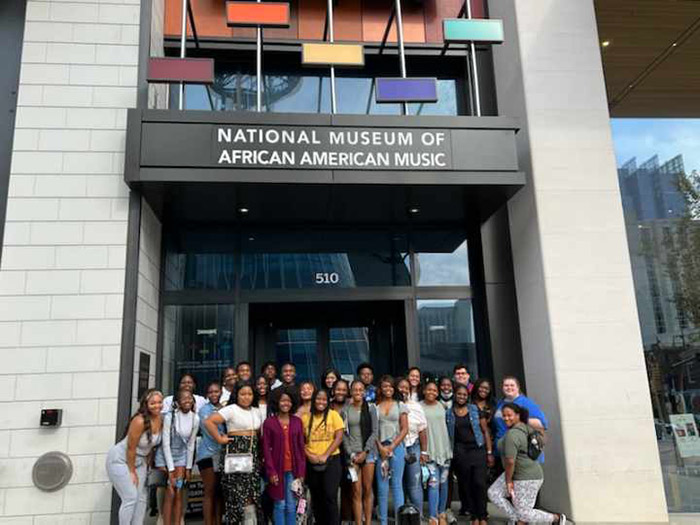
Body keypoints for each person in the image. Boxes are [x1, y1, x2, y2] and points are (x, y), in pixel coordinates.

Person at [488, 403, 566, 524]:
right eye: (504, 415)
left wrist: (509, 481)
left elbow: (510, 461)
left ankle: (556, 518)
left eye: (509, 415)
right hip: (519, 472)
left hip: (526, 477)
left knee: (525, 513)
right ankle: (516, 519)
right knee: (494, 493)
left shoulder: (513, 434)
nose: (506, 418)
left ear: (518, 415)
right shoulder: (526, 428)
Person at [205, 381, 264, 524]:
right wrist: (219, 439)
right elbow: (209, 422)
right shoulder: (231, 409)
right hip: (235, 455)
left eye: (249, 394)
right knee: (235, 493)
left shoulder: (256, 410)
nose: (246, 397)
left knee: (252, 492)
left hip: (252, 454)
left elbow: (259, 432)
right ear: (236, 395)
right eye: (243, 394)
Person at [106, 389, 163, 524]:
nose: (157, 406)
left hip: (140, 460)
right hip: (121, 460)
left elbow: (150, 448)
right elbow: (131, 448)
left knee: (142, 498)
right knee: (130, 497)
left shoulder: (161, 419)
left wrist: (148, 466)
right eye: (153, 403)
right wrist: (131, 472)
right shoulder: (139, 420)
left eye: (160, 402)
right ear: (146, 404)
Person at [449, 383, 493, 525]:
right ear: (455, 395)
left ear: (467, 396)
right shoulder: (449, 413)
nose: (461, 397)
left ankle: (483, 515)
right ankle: (474, 516)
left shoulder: (474, 409)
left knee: (479, 483)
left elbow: (485, 431)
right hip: (460, 452)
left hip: (477, 449)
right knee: (467, 484)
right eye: (459, 394)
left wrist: (489, 452)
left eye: (464, 394)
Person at [262, 388, 307, 525]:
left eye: (288, 400)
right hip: (277, 470)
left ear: (292, 403)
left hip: (293, 470)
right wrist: (271, 471)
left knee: (291, 505)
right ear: (277, 402)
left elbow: (300, 449)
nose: (285, 403)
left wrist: (301, 472)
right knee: (279, 504)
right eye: (282, 400)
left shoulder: (297, 422)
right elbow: (266, 450)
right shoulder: (269, 422)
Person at [157, 388, 200, 525]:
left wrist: (188, 468)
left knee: (179, 489)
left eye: (190, 398)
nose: (187, 401)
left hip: (181, 456)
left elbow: (191, 445)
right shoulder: (170, 417)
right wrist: (171, 470)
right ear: (177, 402)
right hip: (165, 455)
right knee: (170, 490)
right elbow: (165, 444)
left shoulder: (195, 418)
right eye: (184, 399)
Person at [302, 389, 344, 524]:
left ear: (328, 401)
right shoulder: (305, 418)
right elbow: (300, 442)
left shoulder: (334, 415)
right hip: (311, 462)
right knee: (317, 497)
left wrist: (326, 455)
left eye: (324, 399)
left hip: (331, 460)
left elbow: (339, 437)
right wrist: (309, 456)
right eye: (318, 399)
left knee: (330, 496)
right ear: (313, 400)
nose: (321, 402)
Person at [341, 381, 378, 525]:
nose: (358, 392)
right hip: (352, 456)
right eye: (355, 389)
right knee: (356, 491)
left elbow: (375, 432)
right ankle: (358, 522)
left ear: (364, 392)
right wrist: (351, 454)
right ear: (351, 392)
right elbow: (344, 434)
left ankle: (367, 522)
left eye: (360, 389)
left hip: (368, 453)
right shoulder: (345, 410)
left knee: (368, 489)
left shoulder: (371, 408)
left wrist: (365, 451)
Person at [375, 375, 409, 525]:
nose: (388, 389)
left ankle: (398, 521)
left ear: (394, 388)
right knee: (382, 486)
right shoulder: (375, 407)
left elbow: (405, 429)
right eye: (384, 386)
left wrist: (392, 446)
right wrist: (381, 448)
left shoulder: (400, 405)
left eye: (390, 386)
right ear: (381, 389)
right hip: (380, 448)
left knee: (397, 484)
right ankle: (383, 521)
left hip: (397, 448)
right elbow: (373, 431)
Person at [493, 376, 548, 464]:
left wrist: (520, 418)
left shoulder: (526, 402)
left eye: (512, 385)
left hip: (521, 451)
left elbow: (541, 424)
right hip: (503, 450)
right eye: (506, 385)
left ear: (518, 387)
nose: (509, 388)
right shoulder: (500, 403)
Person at [421, 380, 453, 525]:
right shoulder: (419, 407)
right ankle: (433, 516)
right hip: (430, 450)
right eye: (429, 390)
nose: (432, 392)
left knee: (444, 482)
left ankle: (442, 513)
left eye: (434, 390)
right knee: (433, 483)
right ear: (424, 391)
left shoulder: (443, 405)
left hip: (444, 449)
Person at [397, 377, 427, 516]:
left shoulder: (416, 406)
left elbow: (422, 430)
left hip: (413, 446)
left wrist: (424, 451)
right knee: (399, 483)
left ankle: (417, 516)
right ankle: (402, 516)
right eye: (401, 387)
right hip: (396, 447)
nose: (403, 390)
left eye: (406, 388)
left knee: (414, 483)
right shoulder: (391, 405)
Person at [196, 381, 224, 525]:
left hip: (221, 455)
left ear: (221, 392)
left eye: (216, 391)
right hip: (207, 455)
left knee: (219, 492)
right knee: (210, 491)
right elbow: (212, 430)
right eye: (211, 392)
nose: (214, 394)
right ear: (207, 395)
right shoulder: (205, 410)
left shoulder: (224, 408)